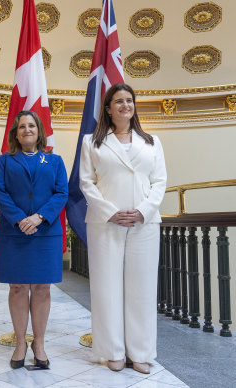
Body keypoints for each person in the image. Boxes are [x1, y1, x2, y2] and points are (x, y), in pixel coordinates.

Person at [79, 83, 167, 374]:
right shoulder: (92, 142)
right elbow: (86, 182)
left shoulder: (152, 141)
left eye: (129, 100)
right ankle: (111, 350)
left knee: (142, 288)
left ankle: (140, 352)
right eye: (118, 101)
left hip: (144, 223)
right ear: (108, 108)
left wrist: (142, 211)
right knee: (106, 287)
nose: (125, 105)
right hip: (106, 224)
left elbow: (159, 182)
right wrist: (111, 212)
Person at [0, 110, 68, 370]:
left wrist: (38, 217)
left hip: (45, 232)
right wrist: (20, 219)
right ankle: (20, 344)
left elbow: (61, 193)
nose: (27, 130)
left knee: (42, 288)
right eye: (22, 126)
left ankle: (39, 343)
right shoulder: (5, 160)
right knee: (17, 287)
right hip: (14, 231)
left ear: (39, 131)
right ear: (15, 132)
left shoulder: (55, 160)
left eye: (32, 126)